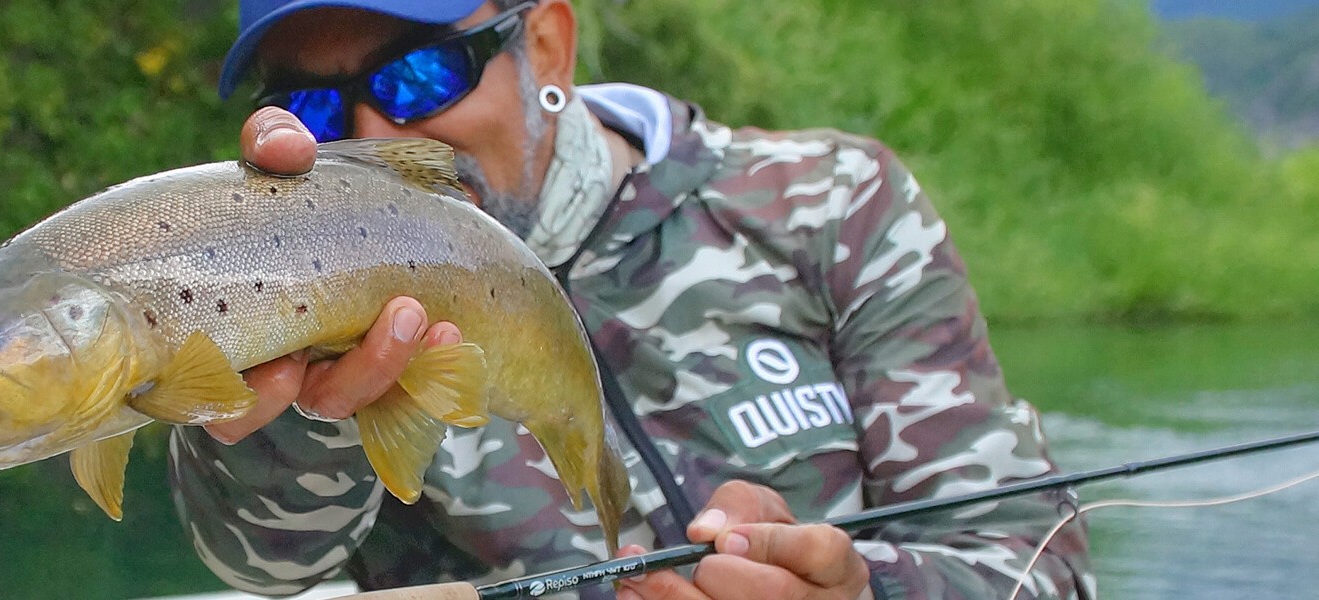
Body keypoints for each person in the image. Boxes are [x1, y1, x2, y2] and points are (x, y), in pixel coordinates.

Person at [167, 1, 1094, 598]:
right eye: (316, 107)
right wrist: (294, 392)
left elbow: (1033, 562)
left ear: (545, 45)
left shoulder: (834, 203)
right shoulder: (279, 288)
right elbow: (266, 567)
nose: (370, 135)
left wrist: (860, 590)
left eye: (420, 75)